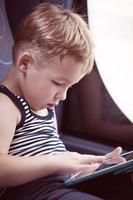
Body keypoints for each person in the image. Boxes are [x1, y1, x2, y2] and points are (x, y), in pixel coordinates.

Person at [0, 3, 124, 200]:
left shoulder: (45, 107)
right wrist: (58, 162)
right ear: (25, 64)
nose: (63, 95)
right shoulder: (5, 105)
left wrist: (89, 166)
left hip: (58, 187)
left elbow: (54, 160)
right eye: (58, 83)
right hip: (31, 193)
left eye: (69, 87)